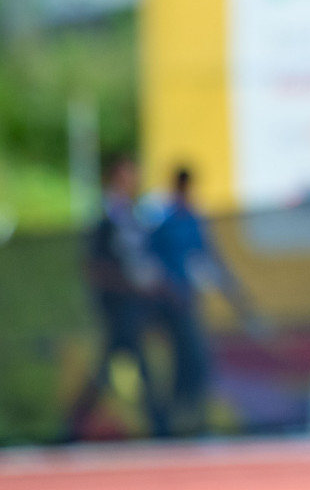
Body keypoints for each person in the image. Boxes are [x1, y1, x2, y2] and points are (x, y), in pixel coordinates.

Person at [146, 165, 259, 435]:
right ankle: (176, 420)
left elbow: (208, 256)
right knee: (188, 359)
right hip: (168, 303)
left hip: (188, 300)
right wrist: (165, 290)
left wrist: (234, 294)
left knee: (192, 361)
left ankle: (184, 419)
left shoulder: (193, 218)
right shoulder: (161, 218)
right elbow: (151, 260)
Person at [65, 156, 170, 440]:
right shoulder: (106, 216)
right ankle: (160, 425)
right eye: (126, 174)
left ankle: (73, 424)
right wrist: (125, 286)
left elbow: (138, 259)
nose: (132, 180)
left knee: (113, 364)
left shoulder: (132, 215)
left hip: (133, 303)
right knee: (126, 362)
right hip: (117, 304)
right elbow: (95, 266)